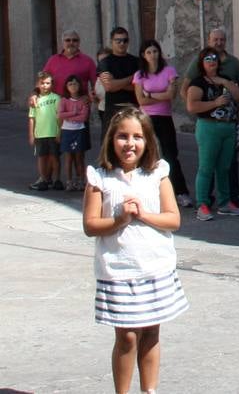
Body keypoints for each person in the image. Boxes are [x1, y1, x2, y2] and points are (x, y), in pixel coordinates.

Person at [83, 106, 188, 394]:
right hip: (118, 269)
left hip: (155, 265)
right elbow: (91, 225)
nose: (130, 143)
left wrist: (142, 215)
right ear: (111, 139)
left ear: (147, 141)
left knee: (151, 333)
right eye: (122, 136)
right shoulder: (100, 177)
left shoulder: (157, 173)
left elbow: (173, 219)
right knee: (127, 336)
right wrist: (119, 220)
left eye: (137, 137)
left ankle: (149, 390)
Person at [180, 27, 239, 211]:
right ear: (202, 62)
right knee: (206, 167)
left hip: (227, 126)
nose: (212, 61)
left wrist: (225, 82)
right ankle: (203, 202)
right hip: (208, 127)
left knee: (225, 167)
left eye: (214, 59)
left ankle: (226, 202)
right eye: (208, 59)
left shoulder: (228, 72)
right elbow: (191, 105)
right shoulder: (198, 82)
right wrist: (214, 104)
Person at [133, 39, 192, 208]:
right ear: (143, 56)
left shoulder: (169, 71)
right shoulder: (139, 75)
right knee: (146, 155)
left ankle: (181, 192)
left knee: (170, 155)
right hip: (145, 118)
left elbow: (171, 95)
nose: (153, 55)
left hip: (164, 117)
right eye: (149, 52)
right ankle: (147, 194)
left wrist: (150, 95)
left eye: (155, 51)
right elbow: (140, 100)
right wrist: (159, 95)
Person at [97, 27, 140, 135]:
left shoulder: (136, 62)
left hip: (133, 109)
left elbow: (139, 87)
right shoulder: (105, 63)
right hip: (112, 110)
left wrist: (116, 82)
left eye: (125, 40)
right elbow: (109, 87)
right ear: (112, 42)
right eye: (118, 40)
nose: (122, 43)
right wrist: (132, 78)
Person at [28, 70, 63, 191]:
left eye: (48, 83)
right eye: (42, 83)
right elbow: (32, 118)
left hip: (53, 133)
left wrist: (59, 132)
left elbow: (59, 116)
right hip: (40, 134)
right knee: (42, 157)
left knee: (55, 157)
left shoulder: (56, 98)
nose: (45, 85)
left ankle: (57, 179)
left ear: (52, 84)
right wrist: (31, 135)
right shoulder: (35, 100)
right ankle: (43, 179)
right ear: (38, 84)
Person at [43, 28, 97, 101]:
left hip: (79, 106)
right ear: (63, 42)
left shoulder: (88, 61)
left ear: (79, 43)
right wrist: (35, 93)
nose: (71, 43)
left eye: (75, 40)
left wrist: (90, 97)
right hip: (56, 105)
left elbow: (96, 85)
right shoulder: (53, 60)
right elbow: (42, 80)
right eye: (68, 40)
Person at [58, 75, 90, 190]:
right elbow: (60, 114)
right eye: (70, 84)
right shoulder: (64, 100)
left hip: (79, 131)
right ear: (66, 86)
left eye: (75, 83)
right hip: (67, 131)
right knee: (68, 158)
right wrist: (73, 113)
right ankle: (69, 181)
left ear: (79, 85)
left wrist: (70, 116)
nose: (73, 86)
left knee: (79, 157)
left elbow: (84, 117)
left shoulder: (83, 100)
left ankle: (81, 180)